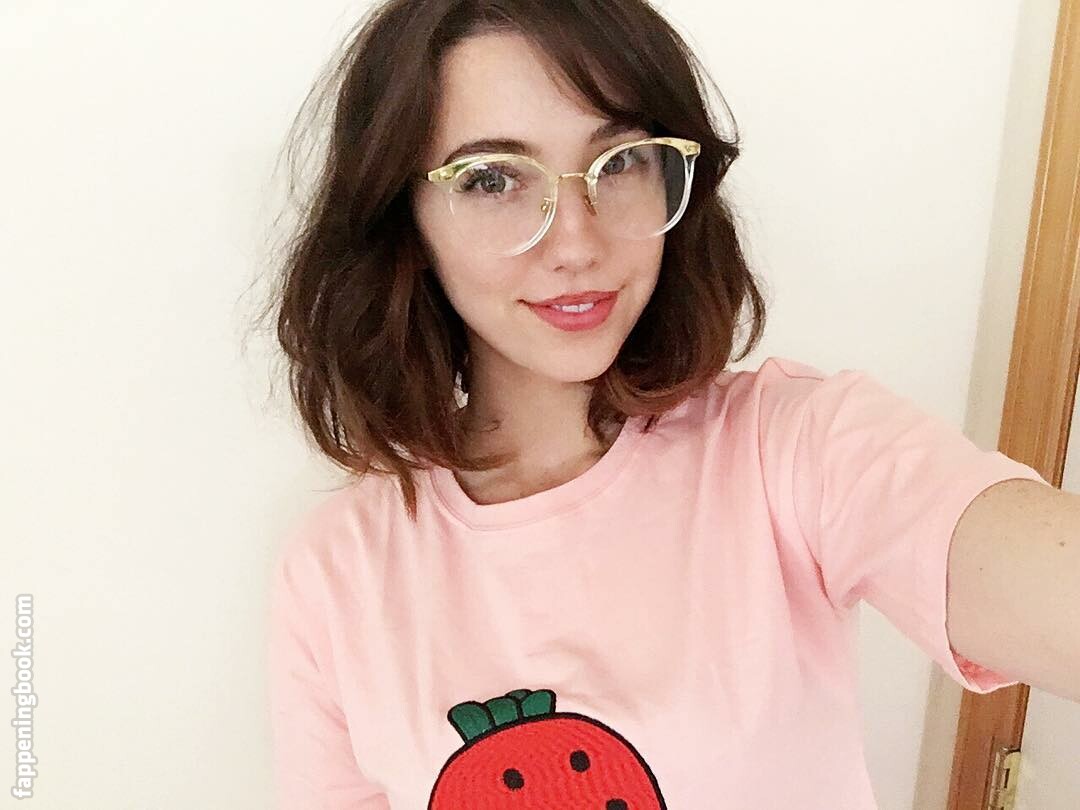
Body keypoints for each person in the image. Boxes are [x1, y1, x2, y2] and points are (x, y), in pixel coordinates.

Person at [264, 1, 1050, 808]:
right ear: (406, 220)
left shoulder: (794, 449)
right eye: (492, 179)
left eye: (621, 163)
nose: (577, 241)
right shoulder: (338, 570)